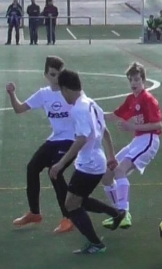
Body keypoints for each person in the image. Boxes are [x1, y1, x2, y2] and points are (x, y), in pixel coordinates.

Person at [47, 70, 126, 255]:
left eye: (61, 91)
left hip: (88, 164)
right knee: (79, 200)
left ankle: (96, 243)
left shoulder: (78, 109)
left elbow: (81, 138)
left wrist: (60, 164)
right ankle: (116, 214)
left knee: (71, 205)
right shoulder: (91, 103)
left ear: (66, 89)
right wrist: (111, 155)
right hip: (97, 161)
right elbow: (105, 131)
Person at [6, 56, 76, 233]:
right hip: (55, 139)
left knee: (55, 171)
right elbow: (19, 109)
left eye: (59, 74)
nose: (56, 78)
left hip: (71, 139)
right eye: (52, 74)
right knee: (32, 167)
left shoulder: (69, 92)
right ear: (45, 75)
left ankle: (68, 217)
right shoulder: (43, 94)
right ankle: (34, 213)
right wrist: (12, 94)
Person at [100, 62, 162, 230]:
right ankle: (118, 213)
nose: (133, 83)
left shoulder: (148, 99)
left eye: (137, 79)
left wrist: (132, 126)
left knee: (120, 170)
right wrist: (94, 111)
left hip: (149, 140)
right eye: (131, 80)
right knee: (107, 175)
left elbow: (158, 125)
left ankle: (123, 212)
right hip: (138, 140)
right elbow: (114, 115)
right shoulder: (131, 99)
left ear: (143, 80)